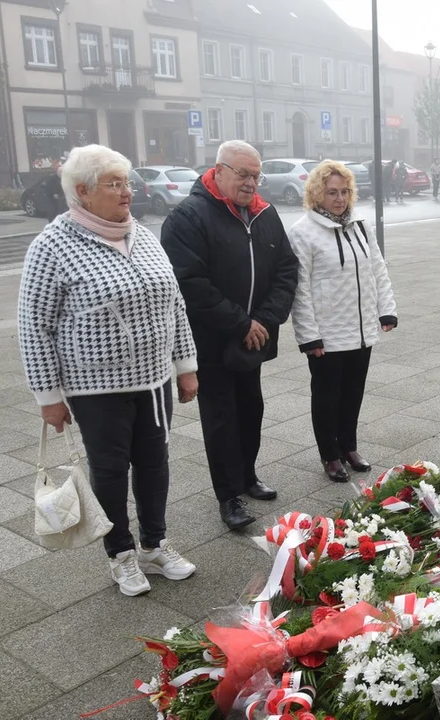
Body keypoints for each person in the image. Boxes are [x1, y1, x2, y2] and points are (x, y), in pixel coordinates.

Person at [17, 144, 199, 596]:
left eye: (127, 183)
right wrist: (49, 397)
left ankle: (154, 546)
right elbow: (33, 326)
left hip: (154, 378)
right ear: (82, 192)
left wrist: (186, 366)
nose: (126, 193)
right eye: (114, 184)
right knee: (111, 470)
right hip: (96, 386)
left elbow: (174, 302)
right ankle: (120, 554)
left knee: (155, 464)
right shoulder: (53, 246)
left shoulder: (141, 233)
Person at [160, 140, 298, 530]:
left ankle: (247, 475)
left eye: (256, 175)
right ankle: (228, 495)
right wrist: (241, 322)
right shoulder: (189, 216)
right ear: (218, 171)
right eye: (243, 174)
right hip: (213, 340)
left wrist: (266, 321)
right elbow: (189, 283)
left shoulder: (264, 214)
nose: (251, 183)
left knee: (251, 408)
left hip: (253, 339)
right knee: (221, 417)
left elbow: (287, 269)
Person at [289, 162, 398, 482]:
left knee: (353, 392)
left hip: (361, 328)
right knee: (327, 396)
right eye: (332, 192)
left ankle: (348, 446)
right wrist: (309, 336)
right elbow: (301, 288)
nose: (339, 198)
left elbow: (378, 270)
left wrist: (386, 309)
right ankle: (330, 455)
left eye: (345, 191)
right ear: (316, 194)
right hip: (327, 332)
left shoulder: (361, 226)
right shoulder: (302, 232)